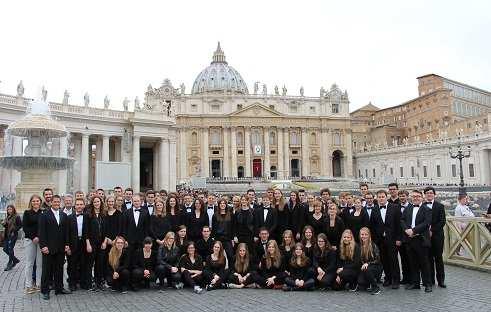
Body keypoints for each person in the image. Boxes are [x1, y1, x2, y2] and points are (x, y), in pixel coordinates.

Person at [38, 195, 71, 300]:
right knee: (47, 270)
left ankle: (59, 288)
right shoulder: (44, 215)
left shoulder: (63, 215)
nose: (57, 203)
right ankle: (45, 290)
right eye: (55, 202)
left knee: (59, 269)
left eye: (58, 202)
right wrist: (43, 246)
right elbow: (41, 232)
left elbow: (66, 232)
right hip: (48, 248)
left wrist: (67, 244)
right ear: (51, 202)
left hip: (61, 248)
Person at [401, 190, 433, 293]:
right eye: (414, 196)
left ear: (422, 197)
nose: (416, 198)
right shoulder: (408, 208)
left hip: (421, 239)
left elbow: (426, 223)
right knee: (412, 263)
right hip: (410, 240)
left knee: (424, 263)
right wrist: (406, 230)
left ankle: (428, 284)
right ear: (411, 197)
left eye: (418, 196)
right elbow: (402, 220)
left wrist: (414, 230)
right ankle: (415, 283)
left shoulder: (426, 209)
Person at [373, 190, 401, 289]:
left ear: (386, 197)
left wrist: (398, 238)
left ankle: (396, 280)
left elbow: (399, 224)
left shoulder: (395, 207)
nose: (381, 198)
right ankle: (388, 278)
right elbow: (373, 225)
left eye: (382, 196)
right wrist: (375, 240)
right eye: (379, 197)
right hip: (380, 240)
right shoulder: (375, 209)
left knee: (393, 260)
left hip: (392, 239)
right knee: (384, 260)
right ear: (377, 198)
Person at [423, 186, 447, 288]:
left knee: (438, 258)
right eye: (427, 193)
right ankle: (431, 280)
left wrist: (432, 230)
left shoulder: (440, 206)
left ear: (434, 194)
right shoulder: (422, 206)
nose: (429, 194)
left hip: (437, 236)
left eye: (431, 193)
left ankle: (441, 280)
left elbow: (442, 221)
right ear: (425, 195)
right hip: (425, 236)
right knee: (428, 259)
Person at [67, 198, 91, 291]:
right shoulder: (69, 218)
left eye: (81, 204)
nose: (79, 206)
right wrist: (67, 246)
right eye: (78, 204)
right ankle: (72, 283)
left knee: (83, 263)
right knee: (72, 264)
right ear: (75, 206)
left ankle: (82, 282)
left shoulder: (87, 217)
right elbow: (67, 233)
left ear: (84, 205)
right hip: (73, 243)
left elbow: (89, 231)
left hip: (84, 243)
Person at [22, 195, 43, 293]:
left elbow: (44, 227)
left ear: (40, 202)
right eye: (33, 201)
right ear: (31, 202)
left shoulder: (44, 213)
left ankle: (38, 284)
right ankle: (28, 285)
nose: (35, 203)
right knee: (29, 263)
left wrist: (38, 237)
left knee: (40, 263)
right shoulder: (27, 213)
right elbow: (25, 227)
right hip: (30, 240)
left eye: (37, 201)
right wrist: (33, 237)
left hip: (41, 240)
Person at [86, 195, 106, 290]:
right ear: (92, 203)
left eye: (98, 202)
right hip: (92, 242)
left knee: (100, 263)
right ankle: (90, 283)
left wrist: (105, 242)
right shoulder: (88, 214)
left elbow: (106, 230)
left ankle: (99, 282)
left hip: (101, 242)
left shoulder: (104, 214)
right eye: (95, 202)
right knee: (90, 263)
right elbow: (86, 231)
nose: (96, 203)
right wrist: (88, 244)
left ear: (101, 203)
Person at [121, 194, 150, 259]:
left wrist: (145, 240)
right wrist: (125, 240)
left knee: (140, 258)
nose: (136, 203)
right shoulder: (126, 212)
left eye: (138, 201)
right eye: (135, 201)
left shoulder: (145, 212)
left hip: (141, 240)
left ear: (141, 201)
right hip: (129, 240)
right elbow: (124, 227)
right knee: (129, 258)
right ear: (132, 202)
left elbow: (147, 228)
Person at [357, 227, 382, 295]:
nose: (364, 236)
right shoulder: (359, 246)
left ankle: (376, 288)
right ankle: (368, 283)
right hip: (364, 269)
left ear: (369, 235)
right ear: (360, 235)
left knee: (367, 269)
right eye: (362, 234)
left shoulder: (373, 245)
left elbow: (378, 260)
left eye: (366, 234)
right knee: (360, 283)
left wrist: (368, 263)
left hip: (375, 267)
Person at [212, 199, 234, 263]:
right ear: (218, 205)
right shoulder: (215, 215)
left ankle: (231, 271)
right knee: (217, 256)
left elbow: (233, 227)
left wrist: (232, 238)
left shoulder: (231, 214)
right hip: (218, 238)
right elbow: (214, 228)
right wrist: (213, 238)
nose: (222, 205)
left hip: (228, 238)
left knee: (230, 256)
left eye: (224, 203)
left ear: (226, 205)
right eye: (221, 203)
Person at [2, 204, 22, 271]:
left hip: (13, 235)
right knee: (5, 249)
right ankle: (15, 260)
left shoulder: (17, 216)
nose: (9, 210)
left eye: (10, 209)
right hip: (7, 235)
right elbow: (7, 226)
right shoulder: (8, 217)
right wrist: (4, 224)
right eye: (8, 209)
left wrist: (14, 229)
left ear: (13, 209)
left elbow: (20, 225)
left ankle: (10, 264)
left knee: (10, 250)